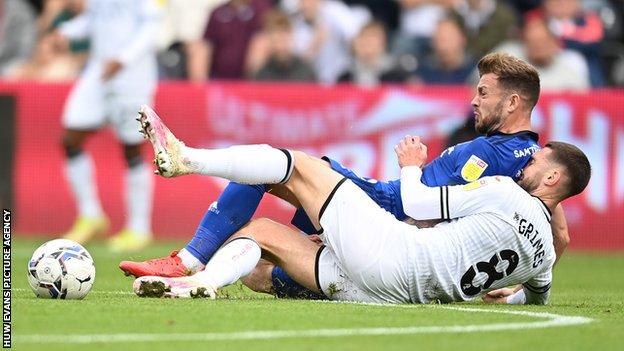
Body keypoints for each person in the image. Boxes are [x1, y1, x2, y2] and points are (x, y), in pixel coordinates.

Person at [120, 53, 572, 297]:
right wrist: (511, 280)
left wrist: (411, 170)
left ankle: (188, 207)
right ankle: (197, 272)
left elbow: (553, 231)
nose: (474, 100)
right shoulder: (525, 160)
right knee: (258, 264)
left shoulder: (518, 163)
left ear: (513, 103)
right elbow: (554, 237)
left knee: (288, 165)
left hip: (388, 221)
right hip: (396, 246)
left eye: (483, 92)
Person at [57, 0, 162, 252]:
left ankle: (139, 229)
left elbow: (152, 27)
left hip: (132, 78)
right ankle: (91, 216)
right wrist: (65, 32)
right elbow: (96, 21)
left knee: (132, 150)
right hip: (98, 71)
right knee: (71, 137)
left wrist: (123, 60)